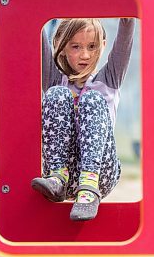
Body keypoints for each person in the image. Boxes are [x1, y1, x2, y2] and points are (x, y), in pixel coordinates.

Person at [31, 17, 135, 221]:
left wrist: (127, 7)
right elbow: (34, 28)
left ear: (103, 45)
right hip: (63, 173)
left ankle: (88, 188)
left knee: (92, 99)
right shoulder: (54, 79)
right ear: (61, 47)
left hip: (100, 175)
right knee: (56, 94)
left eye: (92, 46)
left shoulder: (109, 79)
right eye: (75, 47)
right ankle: (57, 176)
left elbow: (125, 33)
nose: (85, 55)